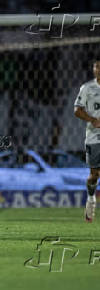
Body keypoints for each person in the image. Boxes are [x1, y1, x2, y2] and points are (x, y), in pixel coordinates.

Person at [74, 60, 100, 222]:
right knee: (94, 175)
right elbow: (77, 110)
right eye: (97, 66)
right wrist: (92, 119)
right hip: (93, 137)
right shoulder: (87, 88)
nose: (98, 69)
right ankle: (91, 199)